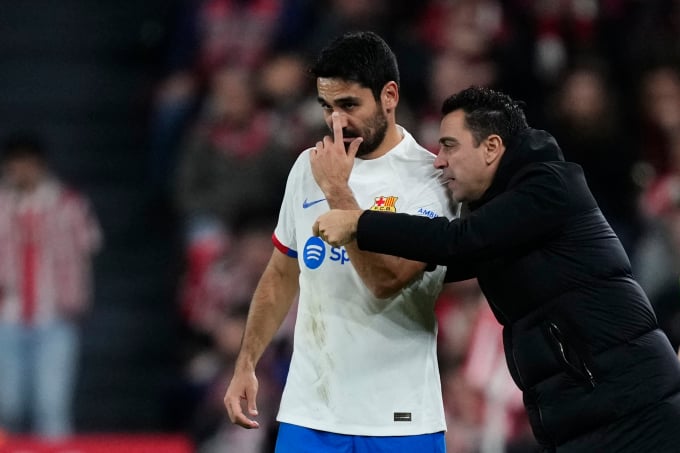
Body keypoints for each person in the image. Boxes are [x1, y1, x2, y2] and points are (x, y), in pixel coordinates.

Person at [313, 86, 680, 452]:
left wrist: (361, 222)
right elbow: (404, 271)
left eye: (449, 145)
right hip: (586, 419)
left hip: (634, 413)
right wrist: (341, 194)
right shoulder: (499, 223)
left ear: (491, 147)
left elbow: (456, 241)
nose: (439, 160)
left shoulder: (549, 185)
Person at [223, 31, 457, 452]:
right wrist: (246, 363)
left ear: (389, 95)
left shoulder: (431, 179)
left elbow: (387, 282)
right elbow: (281, 273)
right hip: (310, 415)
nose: (336, 121)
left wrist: (338, 194)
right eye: (327, 107)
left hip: (400, 419)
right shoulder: (306, 168)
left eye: (349, 105)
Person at [0, 133, 102, 438]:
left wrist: (77, 297)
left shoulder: (68, 204)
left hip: (55, 316)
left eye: (27, 164)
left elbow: (89, 246)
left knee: (52, 407)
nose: (21, 172)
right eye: (15, 166)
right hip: (7, 316)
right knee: (8, 405)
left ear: (40, 165)